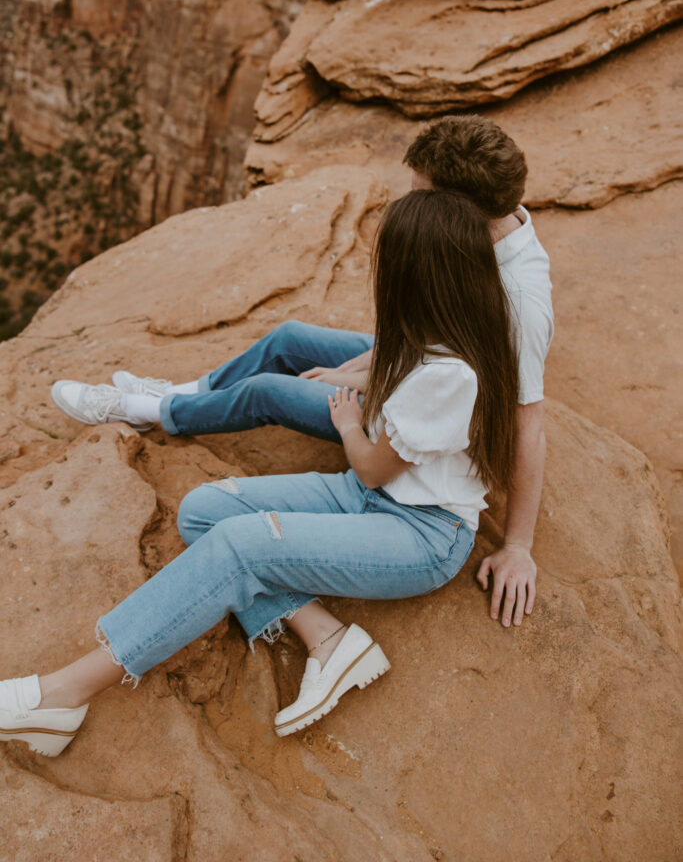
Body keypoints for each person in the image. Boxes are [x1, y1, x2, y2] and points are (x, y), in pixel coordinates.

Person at [1, 189, 518, 757]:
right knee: (204, 510)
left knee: (240, 548)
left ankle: (62, 696)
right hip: (371, 498)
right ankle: (328, 639)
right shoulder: (441, 331)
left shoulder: (454, 373)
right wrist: (356, 383)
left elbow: (370, 469)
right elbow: (399, 382)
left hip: (418, 531)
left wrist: (347, 422)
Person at [51, 115, 553, 630]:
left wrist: (518, 545)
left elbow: (526, 421)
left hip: (418, 411)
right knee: (290, 339)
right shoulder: (493, 229)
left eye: (419, 195)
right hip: (417, 363)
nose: (407, 202)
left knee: (268, 390)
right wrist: (359, 367)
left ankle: (152, 411)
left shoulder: (519, 304)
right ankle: (186, 392)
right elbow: (425, 333)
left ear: (456, 211)